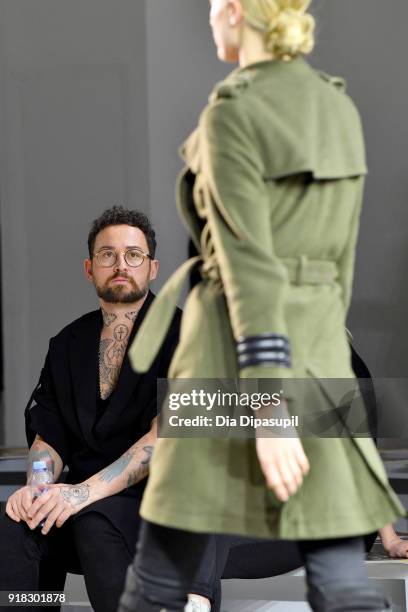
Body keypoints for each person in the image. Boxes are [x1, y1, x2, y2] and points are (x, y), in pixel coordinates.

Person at [118, 1, 405, 611]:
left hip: (228, 358)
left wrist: (270, 409)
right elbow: (339, 267)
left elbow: (248, 269)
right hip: (319, 352)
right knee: (336, 572)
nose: (210, 18)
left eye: (217, 6)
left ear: (239, 13)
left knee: (162, 575)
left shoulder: (233, 112)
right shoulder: (337, 107)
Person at [0, 206, 182, 612]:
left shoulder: (186, 335)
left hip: (153, 506)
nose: (121, 265)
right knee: (16, 524)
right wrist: (41, 488)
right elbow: (48, 432)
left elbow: (164, 438)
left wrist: (81, 494)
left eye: (134, 255)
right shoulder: (67, 343)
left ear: (153, 268)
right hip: (78, 500)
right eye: (107, 254)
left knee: (97, 521)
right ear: (89, 268)